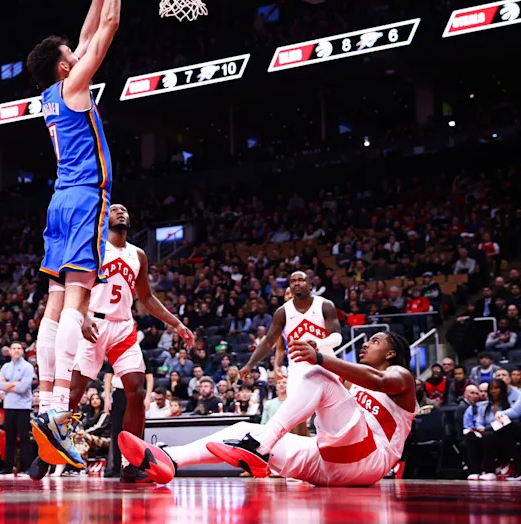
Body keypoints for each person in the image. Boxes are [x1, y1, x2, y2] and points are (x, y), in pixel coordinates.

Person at [26, 0, 129, 467]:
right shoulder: (72, 87)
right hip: (86, 195)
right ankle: (60, 414)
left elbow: (86, 32)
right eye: (72, 53)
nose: (78, 50)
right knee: (76, 298)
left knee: (53, 303)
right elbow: (107, 27)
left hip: (58, 201)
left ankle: (45, 402)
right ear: (66, 66)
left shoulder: (50, 92)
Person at [120, 332, 416, 487]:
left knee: (319, 376)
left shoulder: (402, 377)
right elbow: (330, 398)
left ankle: (262, 446)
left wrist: (321, 358)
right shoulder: (355, 383)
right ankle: (168, 460)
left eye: (374, 341)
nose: (365, 344)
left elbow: (374, 379)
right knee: (243, 430)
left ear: (390, 353)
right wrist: (317, 353)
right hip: (331, 464)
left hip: (369, 460)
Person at [31, 204, 192, 480]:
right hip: (91, 322)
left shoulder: (138, 255)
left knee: (137, 391)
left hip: (122, 326)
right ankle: (47, 453)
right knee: (72, 395)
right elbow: (76, 287)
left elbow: (147, 297)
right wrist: (81, 316)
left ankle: (133, 463)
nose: (120, 212)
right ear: (105, 218)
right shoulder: (93, 247)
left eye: (125, 210)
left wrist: (175, 322)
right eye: (115, 209)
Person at [241, 272, 341, 396]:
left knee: (334, 413)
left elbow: (337, 337)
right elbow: (268, 342)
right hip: (298, 369)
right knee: (298, 413)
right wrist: (250, 364)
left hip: (326, 364)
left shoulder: (325, 305)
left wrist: (318, 343)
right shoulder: (282, 312)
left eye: (301, 280)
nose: (296, 283)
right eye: (293, 281)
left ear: (310, 285)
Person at [0, 343, 34, 477]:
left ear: (22, 351)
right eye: (14, 348)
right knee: (9, 439)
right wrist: (15, 383)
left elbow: (23, 388)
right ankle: (8, 468)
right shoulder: (5, 367)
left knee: (24, 438)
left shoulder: (27, 367)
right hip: (9, 406)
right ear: (9, 351)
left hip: (23, 407)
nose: (16, 350)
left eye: (19, 348)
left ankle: (28, 468)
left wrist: (7, 385)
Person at [463, 378, 511, 480]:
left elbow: (505, 423)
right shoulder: (483, 406)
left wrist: (487, 430)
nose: (493, 391)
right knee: (471, 436)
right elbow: (479, 421)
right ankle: (474, 471)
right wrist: (479, 429)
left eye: (496, 388)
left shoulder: (508, 406)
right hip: (485, 433)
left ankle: (490, 471)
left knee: (488, 435)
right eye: (491, 388)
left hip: (502, 435)